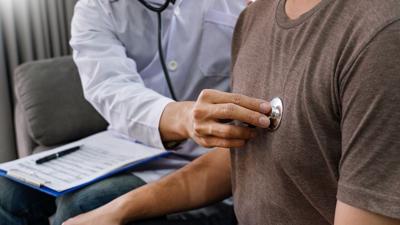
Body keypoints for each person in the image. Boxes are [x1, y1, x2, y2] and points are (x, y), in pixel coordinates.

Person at [64, 0, 400, 224]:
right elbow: (243, 153)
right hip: (172, 156)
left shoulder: (378, 36)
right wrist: (120, 210)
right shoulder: (254, 19)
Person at [0, 0, 275, 224]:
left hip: (210, 155)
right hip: (126, 146)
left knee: (85, 206)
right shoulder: (96, 8)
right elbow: (110, 90)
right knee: (7, 192)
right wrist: (183, 118)